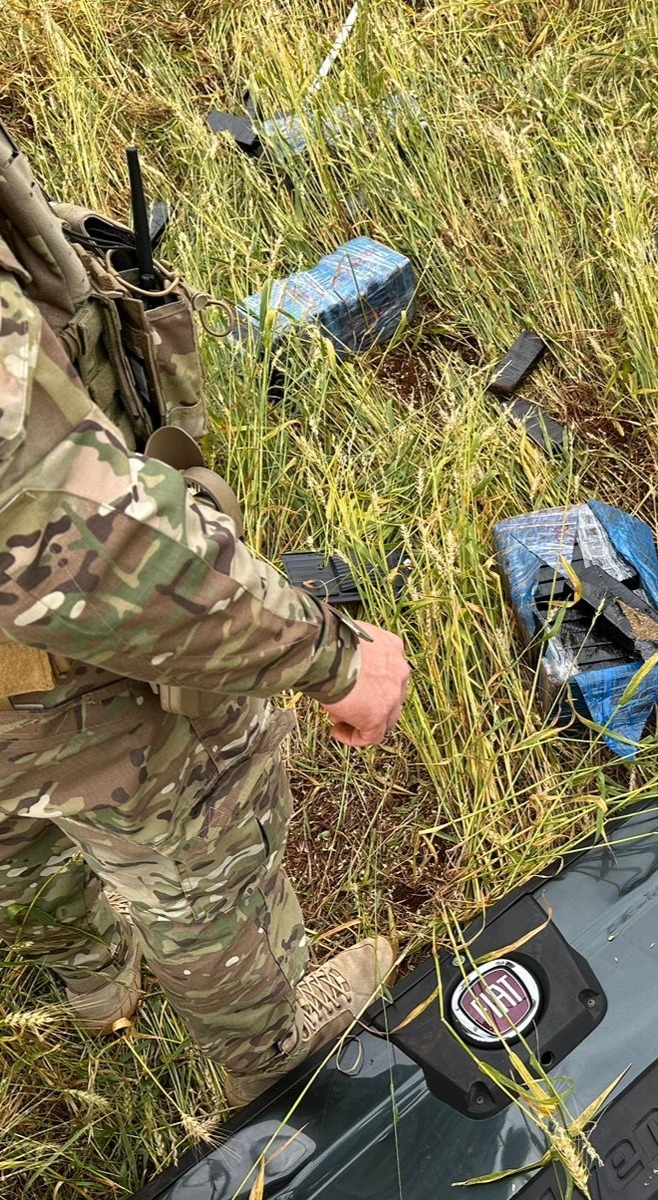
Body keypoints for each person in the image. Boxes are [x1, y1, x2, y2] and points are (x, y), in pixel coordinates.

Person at [0, 124, 410, 1104]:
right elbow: (78, 542)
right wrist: (332, 656)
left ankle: (93, 990)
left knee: (17, 840)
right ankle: (270, 1056)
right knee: (206, 857)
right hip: (71, 677)